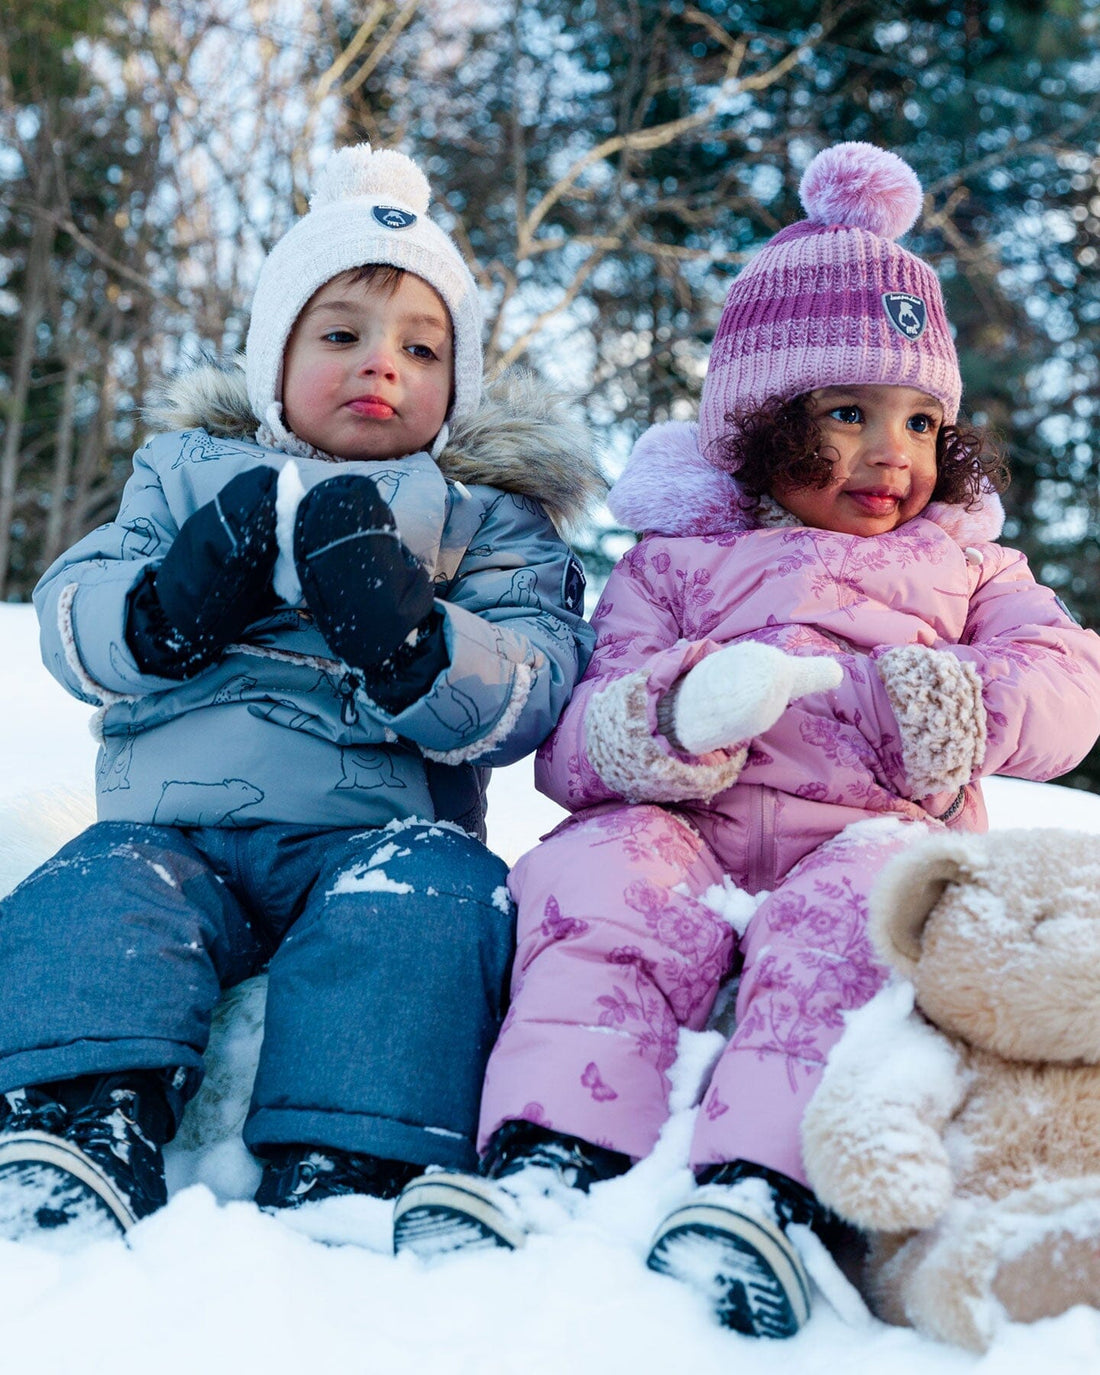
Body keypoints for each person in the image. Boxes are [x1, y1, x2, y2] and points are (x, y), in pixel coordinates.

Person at [391, 142, 1100, 1336]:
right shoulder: (674, 564)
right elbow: (569, 746)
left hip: (868, 835)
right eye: (847, 413)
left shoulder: (968, 564)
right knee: (594, 870)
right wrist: (671, 715)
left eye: (922, 420)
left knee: (860, 914)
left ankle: (767, 1187)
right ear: (763, 423)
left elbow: (1067, 686)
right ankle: (551, 1149)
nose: (892, 452)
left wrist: (936, 701)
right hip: (690, 832)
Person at [0, 143, 602, 1247]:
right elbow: (68, 613)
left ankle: (350, 1144)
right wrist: (157, 608)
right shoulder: (183, 475)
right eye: (340, 335)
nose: (383, 364)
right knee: (93, 891)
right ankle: (76, 1116)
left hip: (376, 831)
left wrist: (421, 646)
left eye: (422, 348)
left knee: (435, 901)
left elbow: (538, 680)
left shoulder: (485, 518)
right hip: (176, 829)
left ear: (455, 382)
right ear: (271, 359)